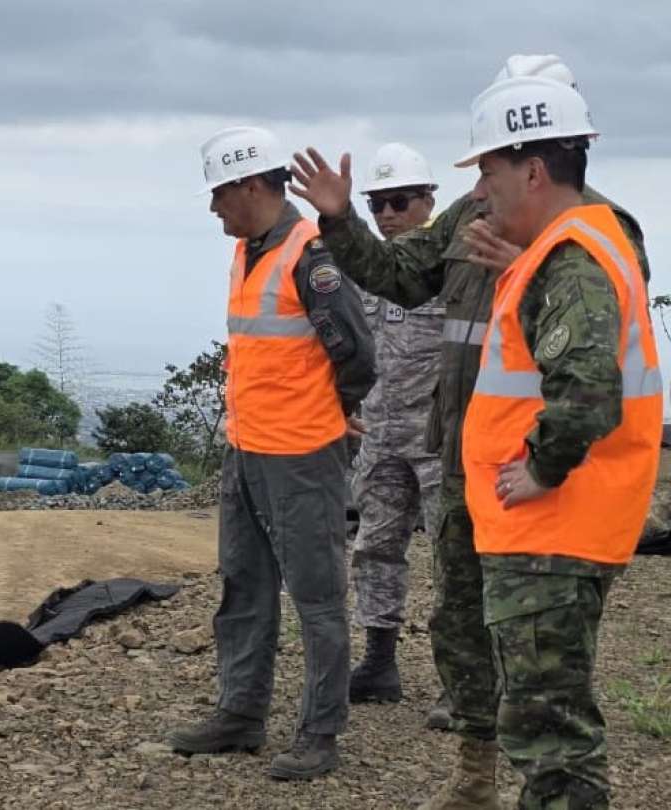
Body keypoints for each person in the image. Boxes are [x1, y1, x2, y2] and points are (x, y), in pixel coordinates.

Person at [288, 55, 649, 807]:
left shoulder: (596, 236)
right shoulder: (471, 216)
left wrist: (528, 268)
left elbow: (592, 353)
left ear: (539, 154)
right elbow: (399, 274)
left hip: (548, 494)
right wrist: (340, 221)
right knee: (464, 629)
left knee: (543, 678)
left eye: (489, 165)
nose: (479, 184)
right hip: (466, 462)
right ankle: (475, 781)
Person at [451, 74, 660, 810]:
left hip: (553, 530)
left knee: (552, 737)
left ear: (533, 170)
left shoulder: (572, 256)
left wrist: (541, 469)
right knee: (544, 723)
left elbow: (586, 389)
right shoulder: (563, 252)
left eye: (487, 170)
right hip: (550, 532)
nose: (480, 192)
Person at [166, 126, 376, 781]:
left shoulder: (310, 254)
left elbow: (359, 357)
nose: (212, 208)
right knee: (244, 585)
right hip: (246, 452)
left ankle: (320, 733)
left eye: (219, 193)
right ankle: (241, 713)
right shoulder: (249, 250)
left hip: (303, 458)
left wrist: (332, 419)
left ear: (252, 185)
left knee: (316, 598)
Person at [346, 143, 443, 704]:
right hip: (379, 437)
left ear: (427, 201)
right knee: (375, 548)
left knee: (455, 559)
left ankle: (464, 681)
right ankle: (380, 663)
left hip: (438, 439)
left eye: (399, 201)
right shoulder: (365, 275)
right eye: (377, 203)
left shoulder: (453, 269)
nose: (386, 214)